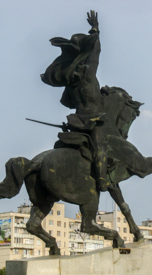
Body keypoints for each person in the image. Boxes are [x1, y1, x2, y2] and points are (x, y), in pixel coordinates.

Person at [41, 11, 110, 191]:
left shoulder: (70, 85)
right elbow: (96, 50)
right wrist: (95, 29)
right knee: (100, 145)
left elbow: (68, 103)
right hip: (93, 119)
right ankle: (102, 179)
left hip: (76, 120)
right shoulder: (88, 75)